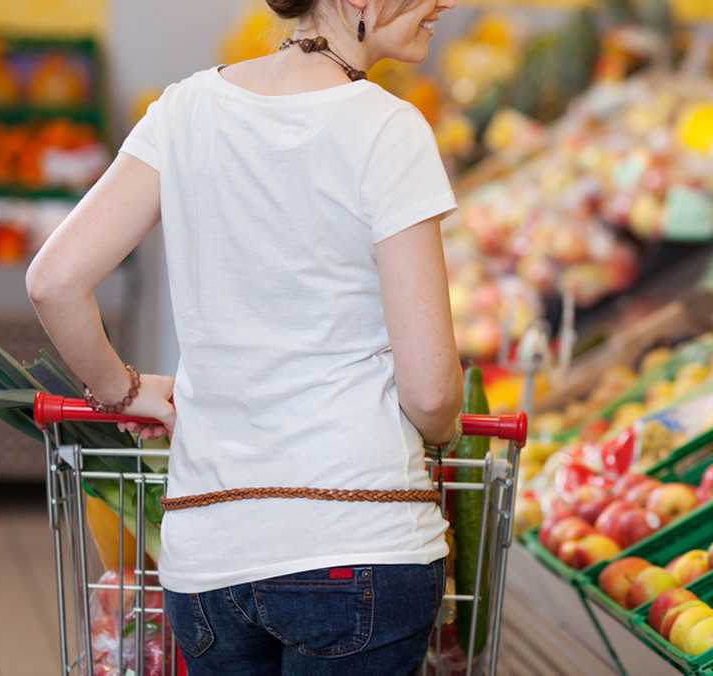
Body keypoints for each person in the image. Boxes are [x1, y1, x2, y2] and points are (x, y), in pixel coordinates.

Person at [26, 0, 462, 672]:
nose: (447, 3)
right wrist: (443, 428)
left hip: (210, 566)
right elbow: (431, 390)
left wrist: (123, 389)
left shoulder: (182, 111)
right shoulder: (389, 131)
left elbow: (54, 281)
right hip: (358, 545)